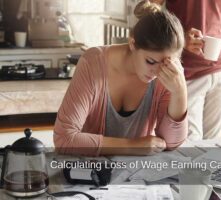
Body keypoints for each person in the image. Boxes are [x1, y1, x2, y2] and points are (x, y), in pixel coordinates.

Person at [53, 1, 188, 156]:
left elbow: (170, 143)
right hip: (91, 171)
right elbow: (64, 139)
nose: (158, 71)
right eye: (150, 61)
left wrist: (180, 92)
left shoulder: (167, 72)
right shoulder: (93, 63)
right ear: (132, 43)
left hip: (137, 173)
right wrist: (132, 146)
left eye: (166, 63)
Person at [151, 0, 221, 140]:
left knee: (212, 144)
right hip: (187, 72)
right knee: (189, 143)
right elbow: (149, 14)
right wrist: (180, 37)